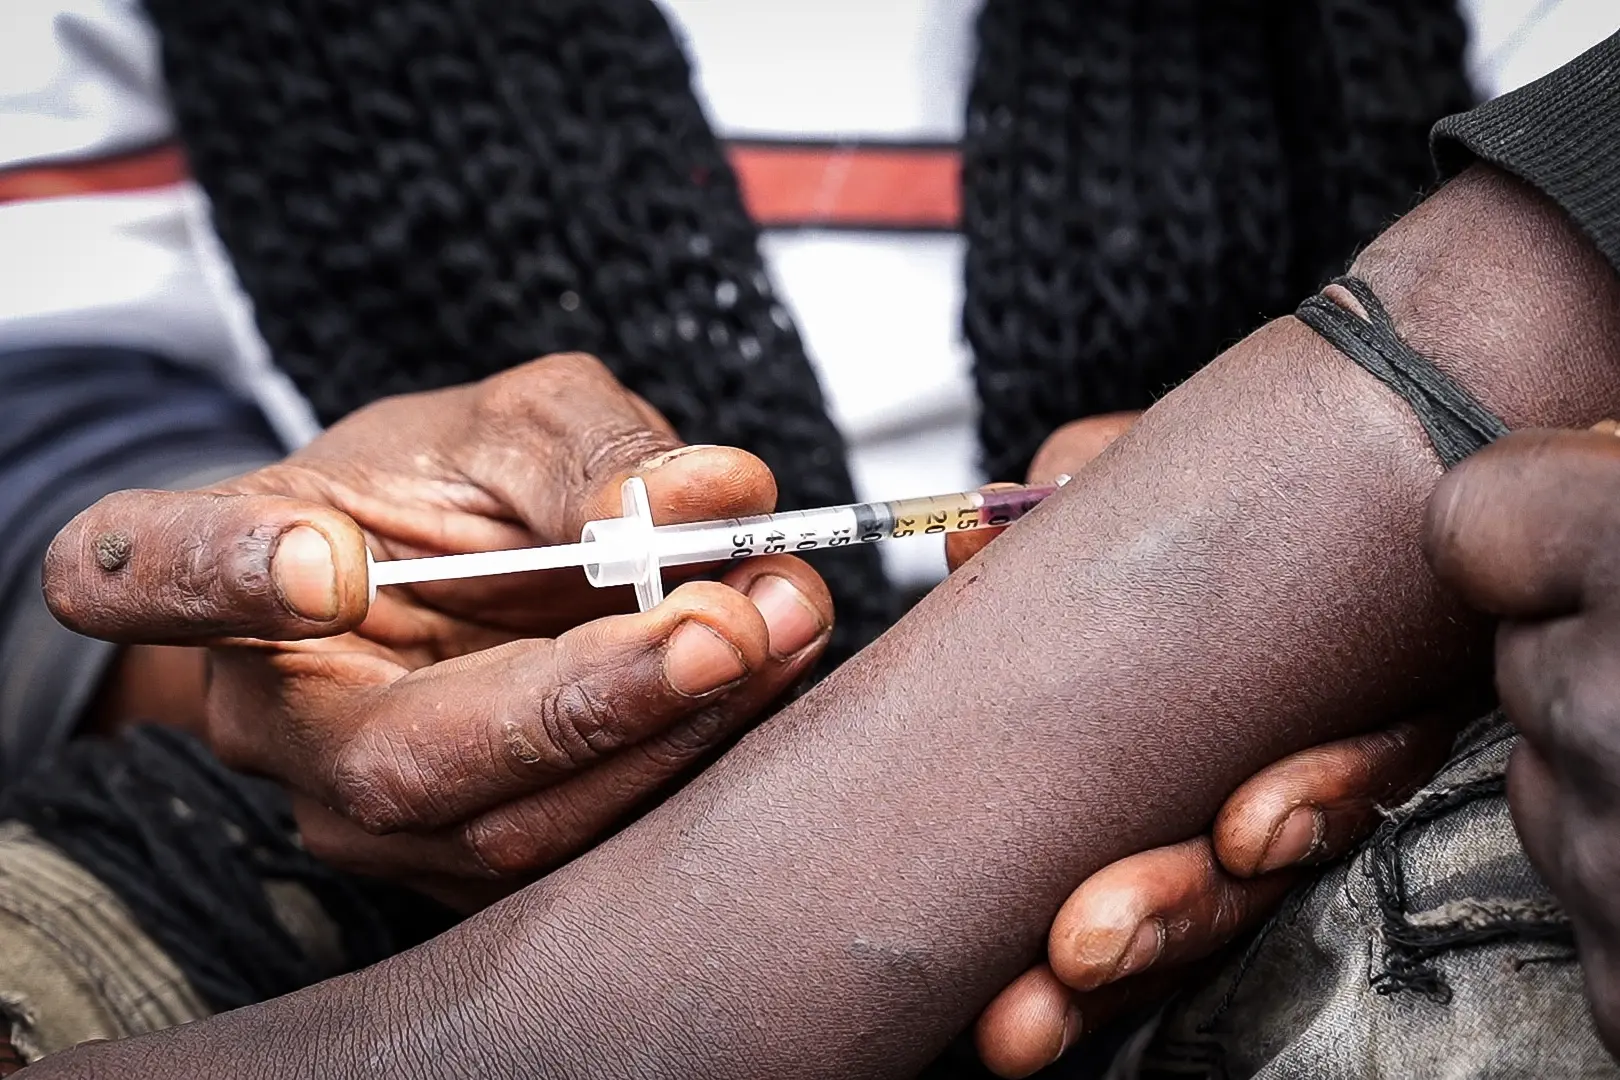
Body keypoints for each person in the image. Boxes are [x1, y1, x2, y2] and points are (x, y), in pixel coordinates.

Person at [4, 2, 1617, 1078]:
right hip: (266, 846)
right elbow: (51, 404)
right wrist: (301, 645)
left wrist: (1334, 584)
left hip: (1325, 800)